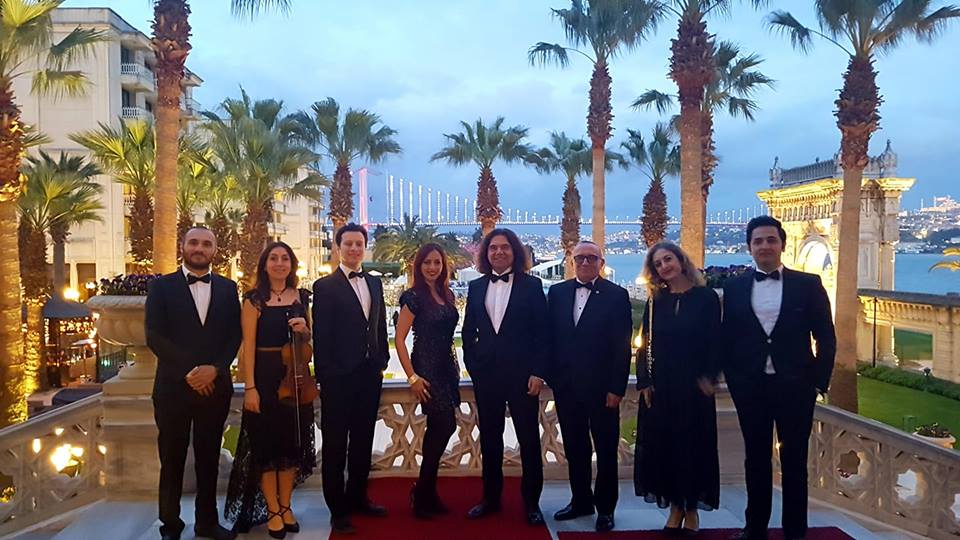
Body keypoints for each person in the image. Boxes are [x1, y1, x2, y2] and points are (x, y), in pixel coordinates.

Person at [722, 216, 836, 540]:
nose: (765, 246)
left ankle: (795, 531)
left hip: (796, 388)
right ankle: (755, 528)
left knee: (795, 462)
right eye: (758, 241)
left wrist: (818, 383)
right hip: (751, 388)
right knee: (755, 460)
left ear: (782, 245)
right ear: (749, 247)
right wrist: (735, 381)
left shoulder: (808, 284)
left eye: (771, 240)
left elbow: (826, 337)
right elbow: (728, 338)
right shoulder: (734, 287)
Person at [145, 227, 241, 540]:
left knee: (209, 458)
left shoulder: (228, 288)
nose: (200, 248)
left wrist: (216, 369)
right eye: (194, 242)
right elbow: (154, 335)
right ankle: (170, 524)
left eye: (206, 244)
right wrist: (189, 371)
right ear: (183, 246)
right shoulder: (161, 287)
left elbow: (234, 335)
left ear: (215, 250)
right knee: (171, 458)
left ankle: (207, 522)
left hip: (215, 388)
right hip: (173, 388)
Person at [224, 242, 315, 538]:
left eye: (285, 258)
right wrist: (250, 387)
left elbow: (308, 345)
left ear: (292, 264)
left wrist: (304, 331)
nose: (279, 263)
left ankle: (286, 506)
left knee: (290, 447)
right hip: (263, 378)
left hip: (294, 378)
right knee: (265, 448)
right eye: (273, 258)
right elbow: (248, 347)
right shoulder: (254, 300)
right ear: (265, 265)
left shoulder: (301, 297)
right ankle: (273, 509)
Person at [461, 228, 549, 526]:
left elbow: (543, 334)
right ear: (486, 253)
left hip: (523, 377)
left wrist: (538, 372)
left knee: (529, 440)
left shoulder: (532, 285)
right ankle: (490, 498)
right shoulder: (476, 287)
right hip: (487, 377)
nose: (499, 252)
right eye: (493, 248)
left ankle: (532, 503)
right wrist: (474, 367)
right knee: (489, 439)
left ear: (515, 252)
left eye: (505, 247)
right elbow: (468, 332)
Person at [634, 241, 721, 536]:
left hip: (695, 387)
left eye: (668, 259)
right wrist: (644, 381)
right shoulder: (655, 301)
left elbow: (716, 341)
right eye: (658, 264)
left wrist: (710, 377)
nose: (664, 266)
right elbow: (644, 344)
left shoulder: (706, 298)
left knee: (693, 448)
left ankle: (691, 509)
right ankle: (675, 507)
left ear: (681, 260)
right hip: (662, 387)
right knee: (666, 449)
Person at [546, 241, 632, 532]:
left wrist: (616, 388)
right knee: (575, 449)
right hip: (567, 388)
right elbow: (550, 338)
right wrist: (553, 378)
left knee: (606, 450)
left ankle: (605, 509)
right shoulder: (557, 293)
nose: (585, 262)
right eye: (580, 257)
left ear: (601, 263)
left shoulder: (617, 296)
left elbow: (622, 346)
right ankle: (580, 501)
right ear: (572, 262)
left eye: (591, 258)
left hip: (602, 390)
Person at [312, 223, 390, 535]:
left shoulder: (374, 283)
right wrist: (326, 375)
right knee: (334, 446)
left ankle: (359, 498)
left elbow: (379, 325)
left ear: (364, 247)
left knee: (362, 441)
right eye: (349, 244)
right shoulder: (324, 286)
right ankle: (338, 509)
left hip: (369, 376)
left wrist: (382, 360)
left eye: (359, 244)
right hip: (338, 380)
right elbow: (321, 335)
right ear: (338, 247)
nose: (354, 249)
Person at [395, 244, 461, 519]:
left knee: (439, 428)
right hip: (427, 367)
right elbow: (400, 339)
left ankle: (426, 492)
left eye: (437, 263)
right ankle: (423, 492)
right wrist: (412, 376)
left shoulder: (447, 294)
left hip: (447, 367)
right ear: (418, 266)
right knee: (445, 425)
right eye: (427, 263)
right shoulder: (413, 297)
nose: (432, 267)